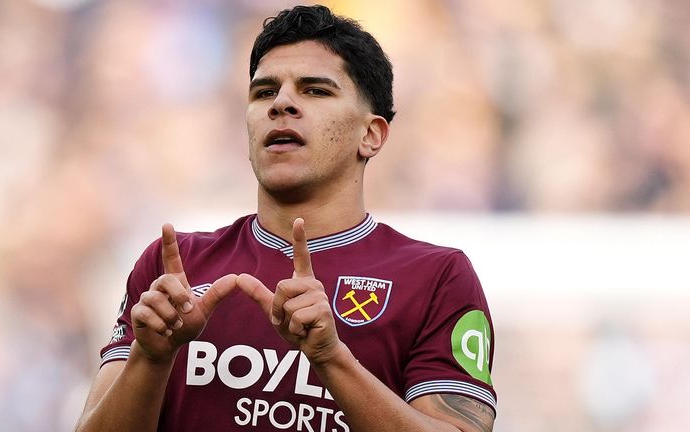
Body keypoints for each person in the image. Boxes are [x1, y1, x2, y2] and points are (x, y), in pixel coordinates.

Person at [76, 5, 496, 432]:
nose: (281, 104)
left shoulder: (437, 277)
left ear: (370, 135)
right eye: (263, 92)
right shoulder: (174, 267)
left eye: (315, 90)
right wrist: (152, 358)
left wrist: (331, 358)